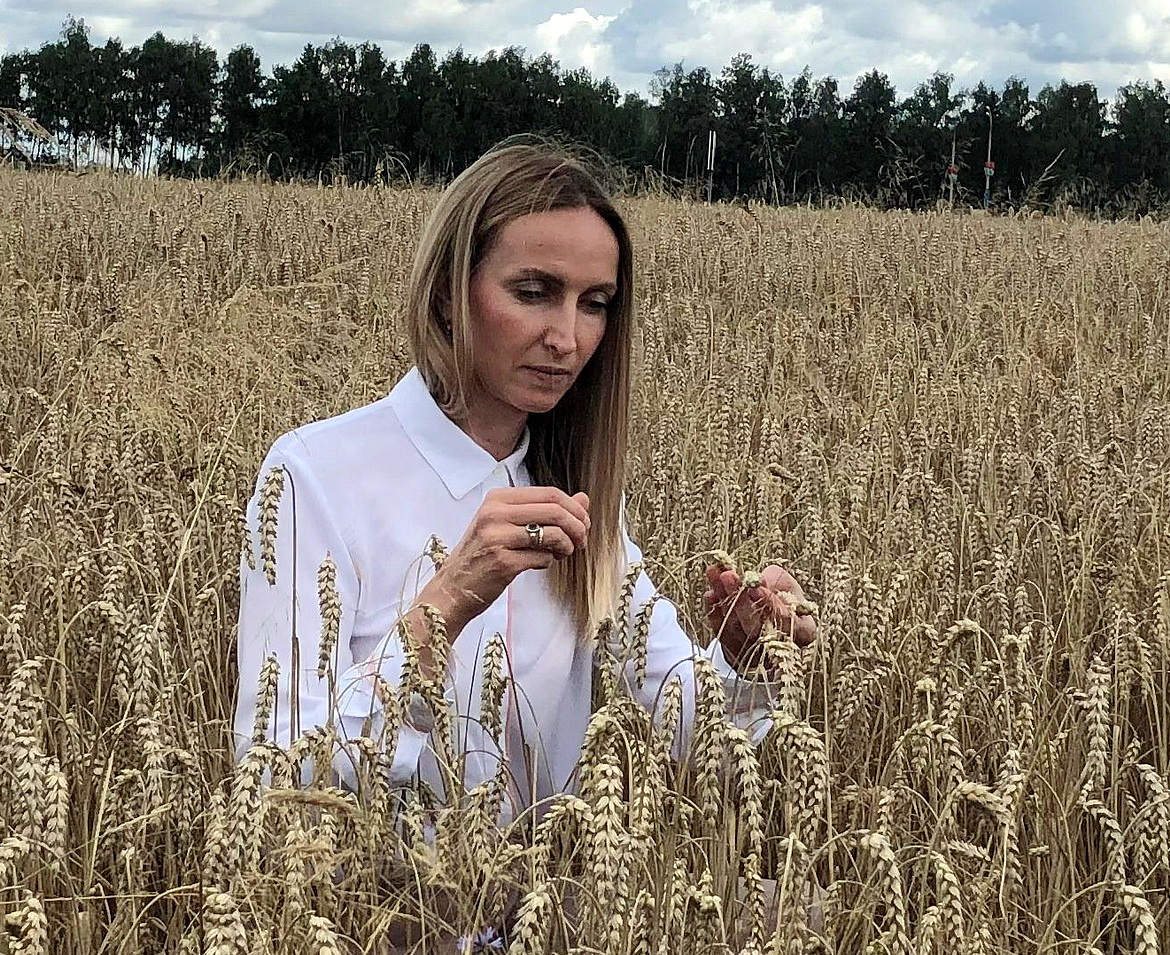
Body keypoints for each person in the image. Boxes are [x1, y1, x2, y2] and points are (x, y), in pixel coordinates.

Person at [233, 138, 816, 822]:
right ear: (448, 292)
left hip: (545, 887)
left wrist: (744, 657)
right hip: (366, 891)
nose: (567, 338)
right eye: (534, 293)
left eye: (594, 303)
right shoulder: (315, 474)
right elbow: (272, 774)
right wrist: (446, 606)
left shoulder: (577, 488)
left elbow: (686, 720)